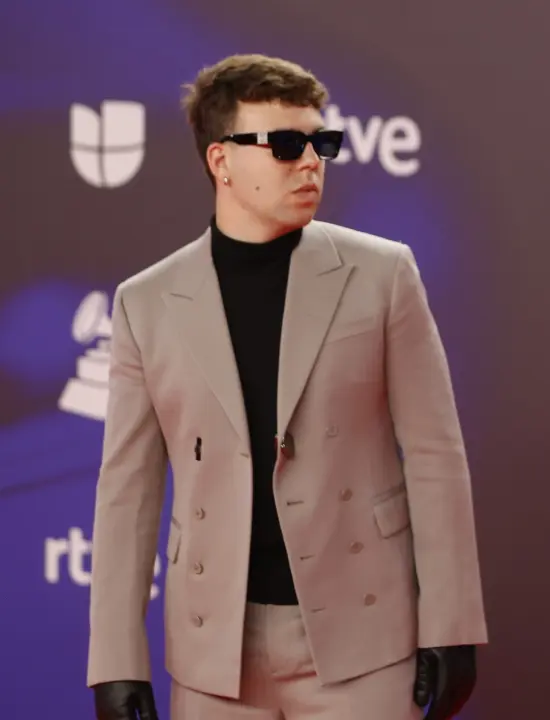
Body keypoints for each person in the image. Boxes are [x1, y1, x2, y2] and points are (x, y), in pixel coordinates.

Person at [85, 53, 488, 719]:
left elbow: (435, 455)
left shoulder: (383, 275)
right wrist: (116, 660)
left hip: (362, 637)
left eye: (320, 144)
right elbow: (127, 492)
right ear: (221, 161)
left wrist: (452, 623)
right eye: (285, 146)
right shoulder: (145, 302)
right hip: (214, 650)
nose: (311, 164)